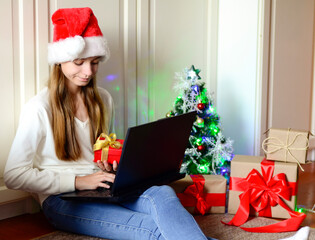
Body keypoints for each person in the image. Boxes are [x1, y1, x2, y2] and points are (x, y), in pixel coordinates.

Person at [4, 7, 215, 240]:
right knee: (152, 228)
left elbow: (100, 151)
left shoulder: (103, 99)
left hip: (104, 186)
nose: (88, 72)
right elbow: (14, 175)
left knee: (162, 195)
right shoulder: (39, 108)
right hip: (62, 199)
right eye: (79, 62)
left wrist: (110, 164)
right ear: (60, 61)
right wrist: (77, 181)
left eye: (94, 62)